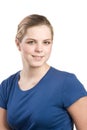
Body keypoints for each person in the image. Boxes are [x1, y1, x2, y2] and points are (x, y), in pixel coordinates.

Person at [0, 14, 87, 130]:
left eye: (46, 42)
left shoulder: (67, 83)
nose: (39, 49)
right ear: (18, 44)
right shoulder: (7, 86)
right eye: (31, 42)